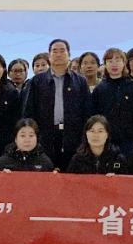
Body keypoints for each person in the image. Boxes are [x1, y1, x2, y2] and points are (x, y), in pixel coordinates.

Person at [22, 38, 91, 169]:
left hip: (73, 139)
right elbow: (28, 112)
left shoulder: (80, 81)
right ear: (49, 56)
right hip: (44, 138)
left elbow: (87, 112)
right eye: (54, 51)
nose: (58, 54)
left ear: (69, 55)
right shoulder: (36, 81)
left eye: (62, 51)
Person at [90, 47, 133, 158]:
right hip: (105, 140)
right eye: (110, 61)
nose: (114, 64)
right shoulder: (99, 89)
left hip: (129, 141)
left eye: (118, 60)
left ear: (124, 63)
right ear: (105, 64)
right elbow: (94, 116)